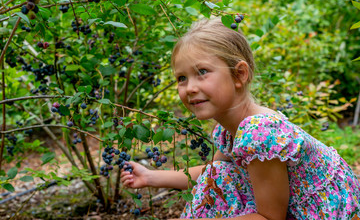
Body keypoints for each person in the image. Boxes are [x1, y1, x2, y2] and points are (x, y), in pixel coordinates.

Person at [120, 18, 360, 219]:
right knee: (218, 177)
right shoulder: (232, 129)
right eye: (181, 78)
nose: (189, 87)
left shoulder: (260, 132)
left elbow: (269, 218)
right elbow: (212, 174)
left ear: (239, 74)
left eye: (202, 72)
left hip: (329, 213)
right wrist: (151, 176)